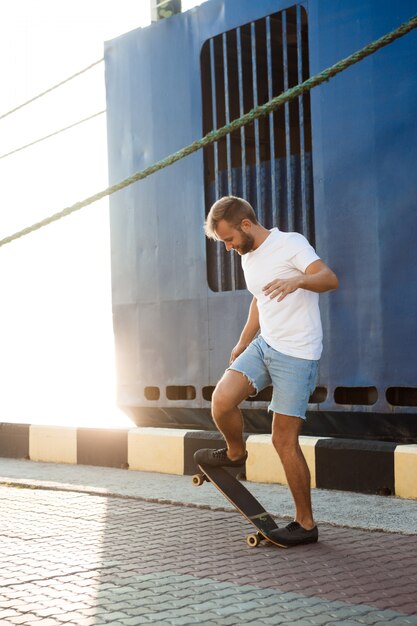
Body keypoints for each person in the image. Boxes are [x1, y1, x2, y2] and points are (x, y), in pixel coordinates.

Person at [195, 196, 339, 547]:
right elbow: (259, 298)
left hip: (298, 354)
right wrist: (244, 340)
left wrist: (298, 282)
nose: (229, 248)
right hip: (265, 345)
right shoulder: (249, 257)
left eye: (229, 239)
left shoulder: (290, 244)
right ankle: (234, 454)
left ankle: (306, 524)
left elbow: (328, 278)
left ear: (246, 224)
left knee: (283, 440)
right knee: (222, 401)